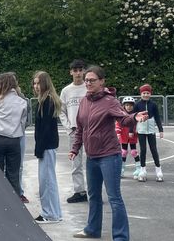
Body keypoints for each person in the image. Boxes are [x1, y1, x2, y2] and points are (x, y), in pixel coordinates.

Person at [69, 66, 148, 240]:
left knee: (114, 197)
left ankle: (120, 237)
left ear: (102, 81)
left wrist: (135, 117)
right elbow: (80, 128)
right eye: (86, 80)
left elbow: (124, 119)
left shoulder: (110, 101)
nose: (88, 83)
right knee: (93, 195)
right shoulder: (84, 101)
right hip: (92, 157)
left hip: (109, 156)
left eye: (92, 80)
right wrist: (75, 148)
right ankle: (92, 229)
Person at [0, 72, 30, 203]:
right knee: (13, 173)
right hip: (14, 140)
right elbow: (23, 122)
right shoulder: (22, 102)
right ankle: (15, 202)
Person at [32, 71, 63, 224]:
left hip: (47, 147)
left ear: (45, 84)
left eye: (39, 83)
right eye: (35, 83)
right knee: (49, 180)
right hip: (47, 146)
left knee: (47, 181)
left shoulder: (47, 101)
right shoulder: (45, 100)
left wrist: (39, 148)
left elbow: (45, 129)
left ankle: (50, 214)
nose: (36, 86)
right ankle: (54, 212)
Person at [61, 59, 89, 203]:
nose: (78, 73)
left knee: (93, 161)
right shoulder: (66, 91)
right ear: (71, 72)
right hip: (74, 131)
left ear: (84, 71)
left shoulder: (89, 88)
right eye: (75, 70)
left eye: (80, 70)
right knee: (75, 163)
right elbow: (61, 111)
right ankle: (79, 191)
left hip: (90, 130)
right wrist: (68, 127)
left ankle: (93, 192)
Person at [134, 84, 164, 182]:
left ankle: (158, 170)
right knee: (143, 150)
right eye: (144, 93)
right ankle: (143, 171)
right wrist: (131, 130)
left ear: (150, 94)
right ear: (141, 94)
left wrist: (161, 130)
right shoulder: (137, 105)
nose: (146, 95)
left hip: (151, 130)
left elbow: (158, 118)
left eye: (147, 93)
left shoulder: (153, 105)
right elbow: (133, 118)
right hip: (141, 130)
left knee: (154, 149)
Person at [115, 97, 139, 178]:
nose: (129, 107)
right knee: (123, 152)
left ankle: (138, 169)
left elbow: (138, 125)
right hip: (124, 136)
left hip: (132, 137)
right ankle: (121, 170)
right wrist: (118, 133)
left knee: (134, 152)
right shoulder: (121, 115)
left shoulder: (135, 115)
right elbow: (118, 124)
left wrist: (137, 131)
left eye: (131, 105)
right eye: (127, 105)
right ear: (124, 106)